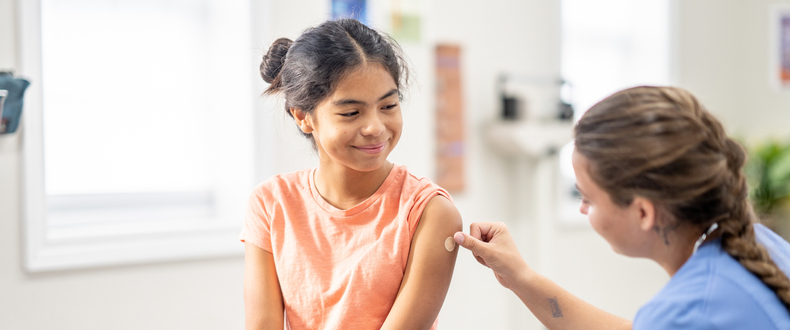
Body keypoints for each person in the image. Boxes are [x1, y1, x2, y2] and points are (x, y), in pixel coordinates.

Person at [454, 86, 790, 329]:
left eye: (587, 198)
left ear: (643, 213)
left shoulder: (688, 312)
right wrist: (520, 277)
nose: (584, 210)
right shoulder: (758, 246)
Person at [240, 19, 462, 330]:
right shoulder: (270, 203)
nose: (375, 127)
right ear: (303, 117)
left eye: (388, 105)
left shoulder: (430, 212)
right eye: (351, 112)